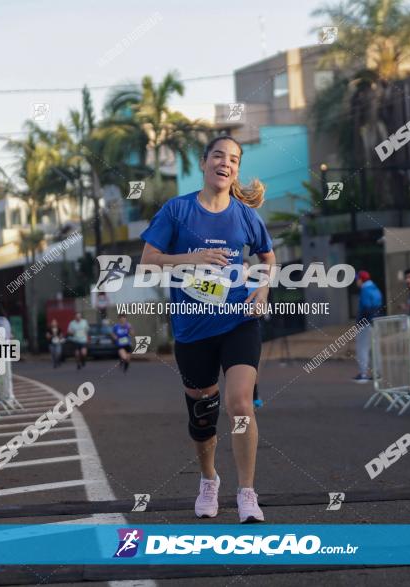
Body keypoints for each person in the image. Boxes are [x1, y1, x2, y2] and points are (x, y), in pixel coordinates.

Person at [140, 135, 275, 523]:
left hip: (239, 322)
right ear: (203, 162)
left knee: (240, 405)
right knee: (203, 417)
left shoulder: (245, 215)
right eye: (219, 155)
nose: (226, 163)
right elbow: (148, 261)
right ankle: (208, 479)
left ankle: (247, 493)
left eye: (233, 159)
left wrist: (263, 288)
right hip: (193, 330)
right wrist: (191, 258)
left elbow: (268, 256)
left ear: (236, 169)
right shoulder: (177, 211)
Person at [353, 270, 383, 383]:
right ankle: (378, 373)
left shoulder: (364, 290)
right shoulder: (375, 288)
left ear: (361, 279)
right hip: (376, 322)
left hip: (365, 324)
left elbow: (366, 307)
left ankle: (363, 374)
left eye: (357, 279)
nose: (356, 282)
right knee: (375, 349)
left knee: (362, 349)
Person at [244, 261, 262, 408]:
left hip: (250, 329)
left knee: (252, 368)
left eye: (245, 268)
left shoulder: (256, 287)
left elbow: (263, 306)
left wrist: (257, 311)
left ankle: (254, 395)